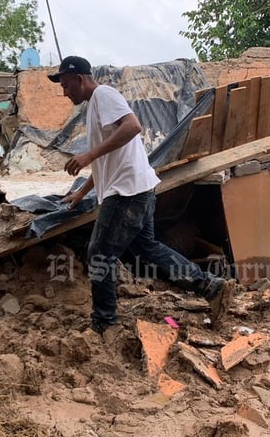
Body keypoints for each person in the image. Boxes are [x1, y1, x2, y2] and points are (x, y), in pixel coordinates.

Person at [48, 55, 228, 335]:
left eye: (66, 85)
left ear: (80, 79)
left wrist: (87, 155)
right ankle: (208, 284)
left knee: (100, 252)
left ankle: (105, 322)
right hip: (138, 188)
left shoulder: (104, 95)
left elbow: (133, 127)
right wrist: (81, 192)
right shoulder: (95, 106)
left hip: (127, 192)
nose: (64, 91)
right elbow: (106, 161)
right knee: (148, 248)